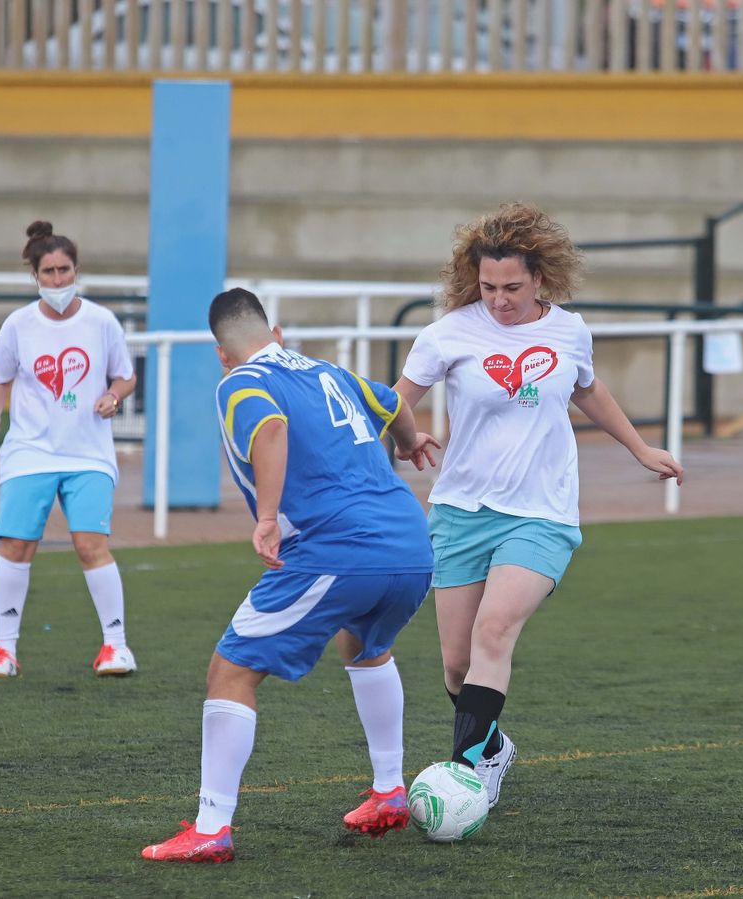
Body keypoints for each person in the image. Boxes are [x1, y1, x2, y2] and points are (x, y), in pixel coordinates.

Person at [391, 203, 683, 808]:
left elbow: (588, 390)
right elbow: (394, 400)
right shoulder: (448, 333)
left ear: (540, 278)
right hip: (461, 509)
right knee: (456, 664)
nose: (499, 300)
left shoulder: (569, 331)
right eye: (488, 287)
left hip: (541, 512)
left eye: (512, 288)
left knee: (494, 630)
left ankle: (465, 776)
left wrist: (639, 447)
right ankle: (493, 746)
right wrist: (406, 437)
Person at [141, 288, 440, 863]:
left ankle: (211, 828)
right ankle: (389, 790)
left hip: (339, 549)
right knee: (364, 644)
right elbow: (391, 400)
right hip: (410, 542)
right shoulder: (330, 371)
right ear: (276, 334)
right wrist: (408, 441)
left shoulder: (239, 381)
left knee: (230, 672)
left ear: (222, 354)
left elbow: (271, 428)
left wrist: (268, 517)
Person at [0, 221, 138, 678]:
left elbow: (125, 376)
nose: (57, 280)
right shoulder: (18, 325)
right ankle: (4, 651)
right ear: (35, 275)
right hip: (29, 451)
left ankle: (116, 647)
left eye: (64, 270)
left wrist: (114, 396)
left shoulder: (101, 322)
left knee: (91, 545)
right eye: (48, 272)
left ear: (76, 270)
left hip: (89, 453)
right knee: (16, 545)